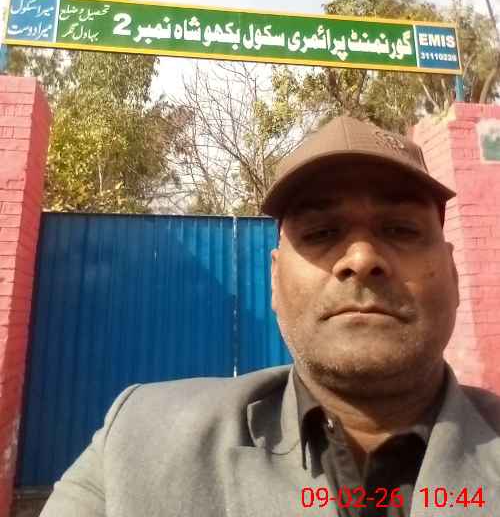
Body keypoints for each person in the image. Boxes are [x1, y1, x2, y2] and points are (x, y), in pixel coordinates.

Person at [41, 116, 500, 516]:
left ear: (454, 274)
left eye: (400, 229)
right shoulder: (138, 442)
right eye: (322, 233)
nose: (361, 259)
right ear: (275, 280)